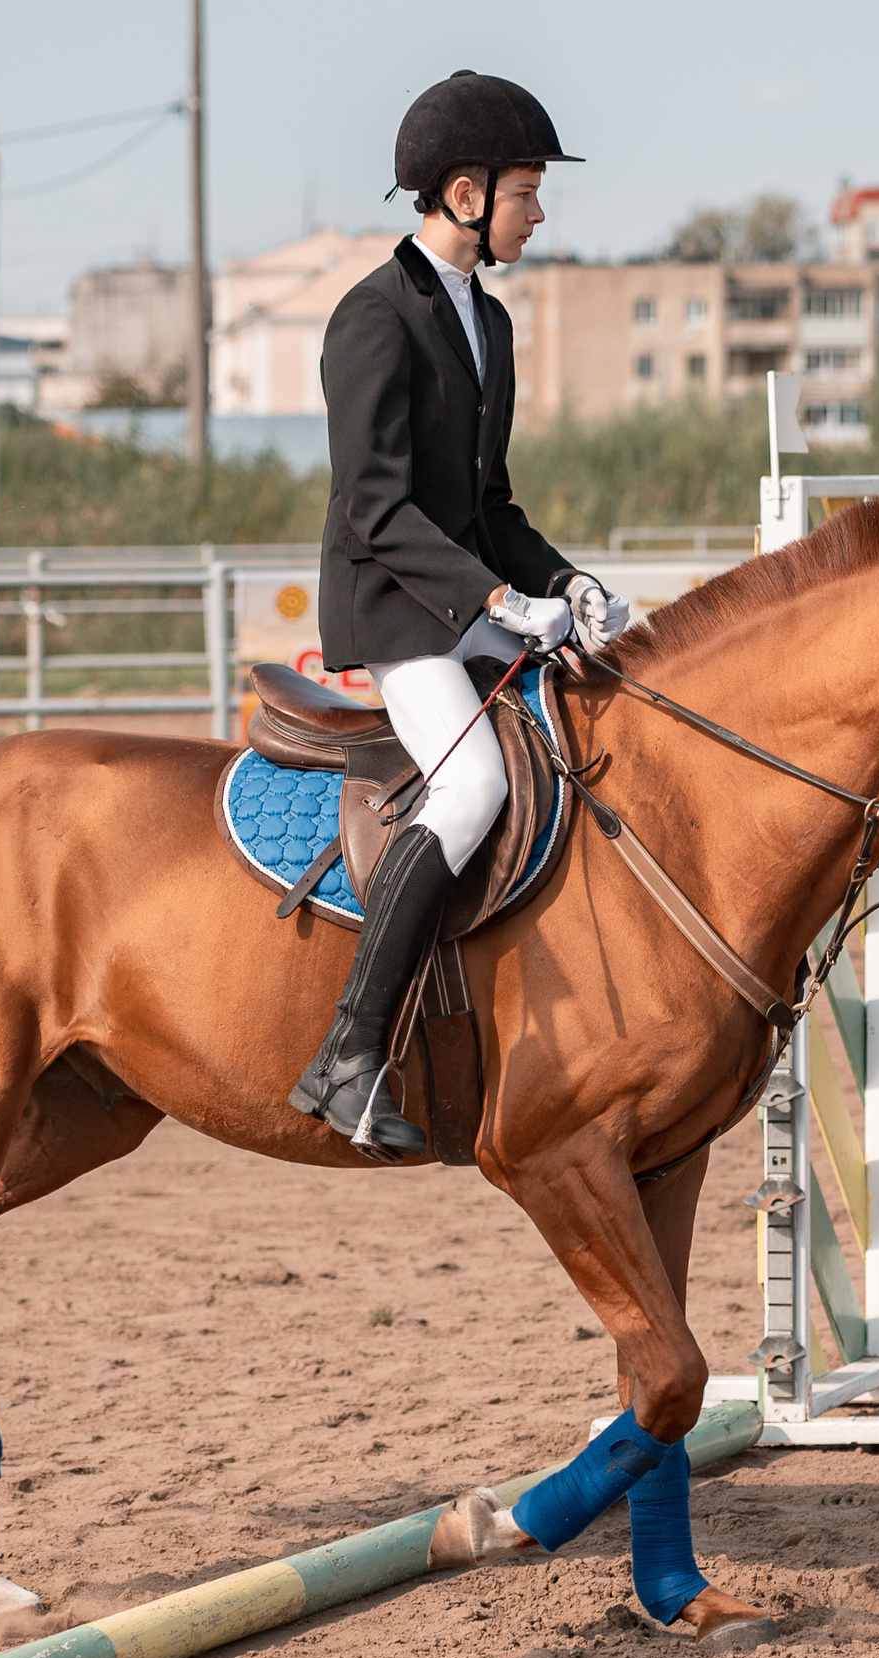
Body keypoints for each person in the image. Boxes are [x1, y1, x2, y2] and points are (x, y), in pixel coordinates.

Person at [293, 71, 630, 1161]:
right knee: (476, 778)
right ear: (466, 192)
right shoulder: (373, 315)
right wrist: (494, 599)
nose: (539, 213)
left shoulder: (484, 319)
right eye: (528, 193)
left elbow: (489, 506)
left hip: (467, 604)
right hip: (396, 612)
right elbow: (373, 505)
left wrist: (566, 582)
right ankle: (348, 1050)